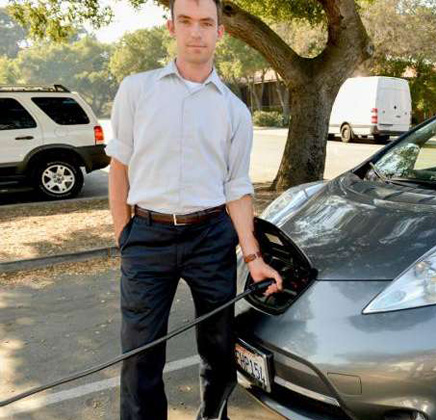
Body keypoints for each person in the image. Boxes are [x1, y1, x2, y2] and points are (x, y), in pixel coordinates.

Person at [106, 0, 283, 419]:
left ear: (220, 32)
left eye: (206, 23)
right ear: (171, 27)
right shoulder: (136, 89)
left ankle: (212, 416)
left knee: (219, 347)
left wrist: (253, 256)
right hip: (146, 237)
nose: (196, 32)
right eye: (186, 21)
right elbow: (119, 168)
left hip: (211, 237)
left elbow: (237, 188)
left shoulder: (234, 111)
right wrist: (123, 235)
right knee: (140, 353)